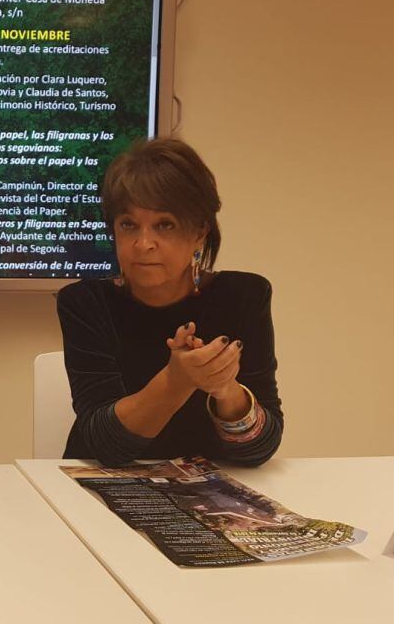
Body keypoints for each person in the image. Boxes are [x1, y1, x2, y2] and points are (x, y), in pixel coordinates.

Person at [56, 138, 283, 467]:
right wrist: (177, 380)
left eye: (165, 225)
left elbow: (258, 452)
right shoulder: (85, 303)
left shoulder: (244, 296)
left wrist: (225, 389)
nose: (143, 243)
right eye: (128, 225)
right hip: (101, 488)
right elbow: (105, 449)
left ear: (199, 231)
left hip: (215, 491)